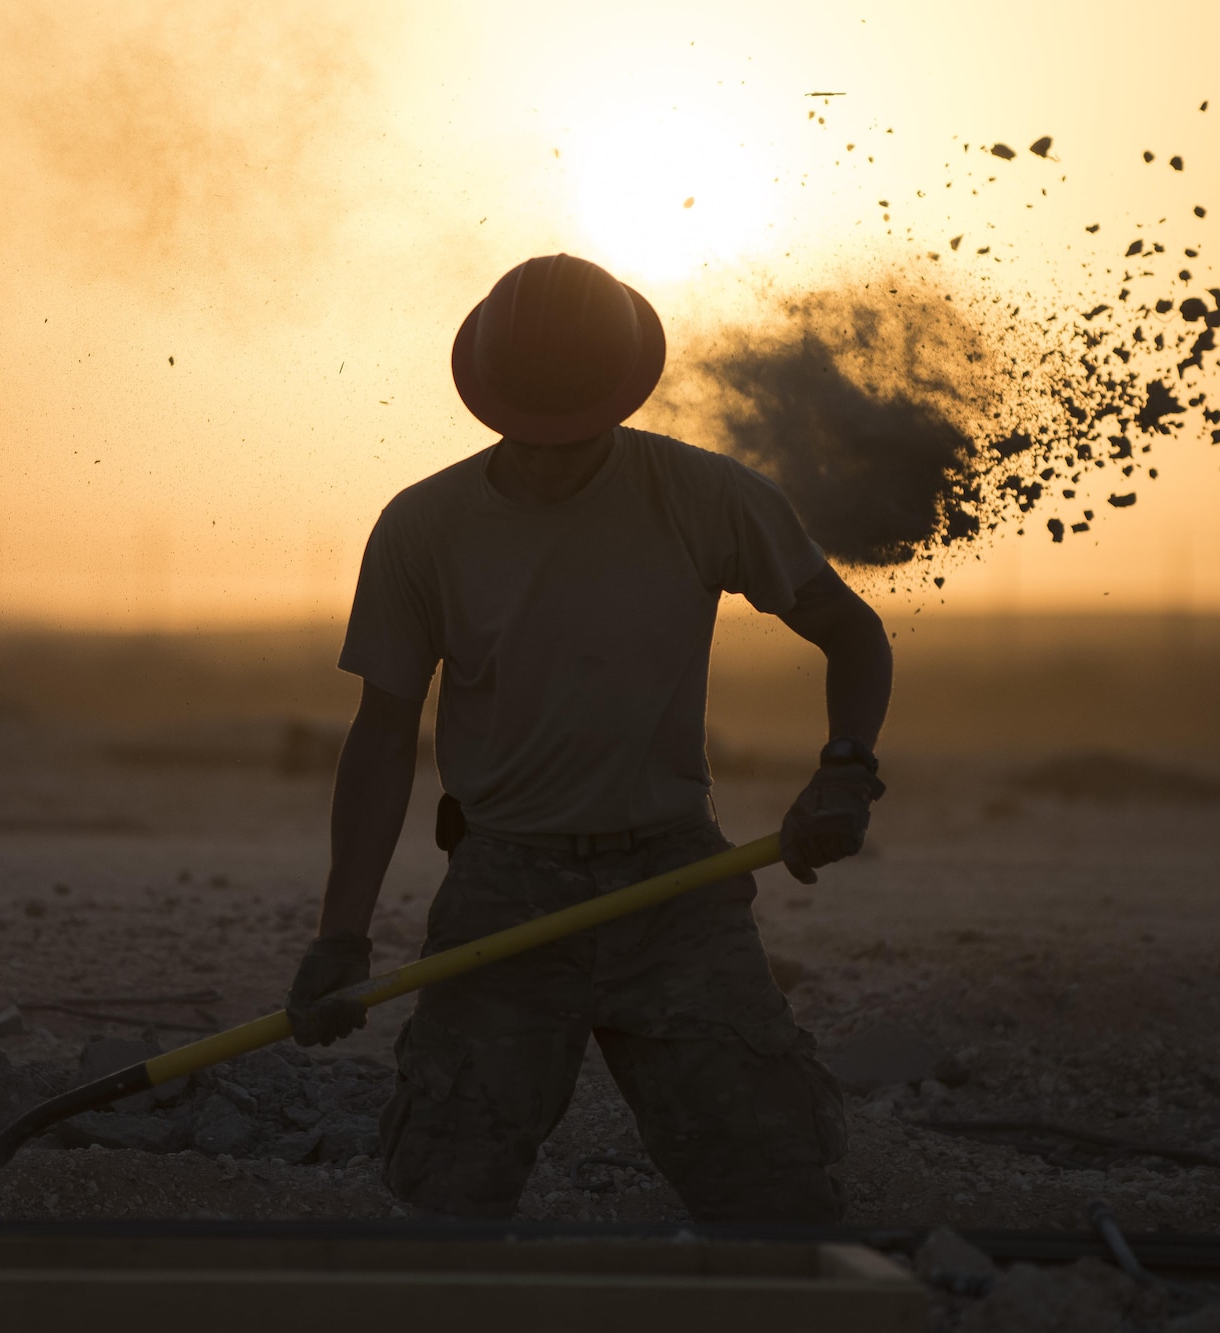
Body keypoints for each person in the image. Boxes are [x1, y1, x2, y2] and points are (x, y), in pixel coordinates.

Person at [283, 253, 892, 1221]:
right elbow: (382, 736)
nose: (551, 453)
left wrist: (844, 769)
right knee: (446, 1191)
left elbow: (851, 633)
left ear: (619, 399)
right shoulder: (421, 528)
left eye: (573, 432)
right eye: (530, 432)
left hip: (672, 889)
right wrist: (339, 936)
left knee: (772, 1189)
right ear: (488, 404)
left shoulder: (702, 495)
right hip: (506, 891)